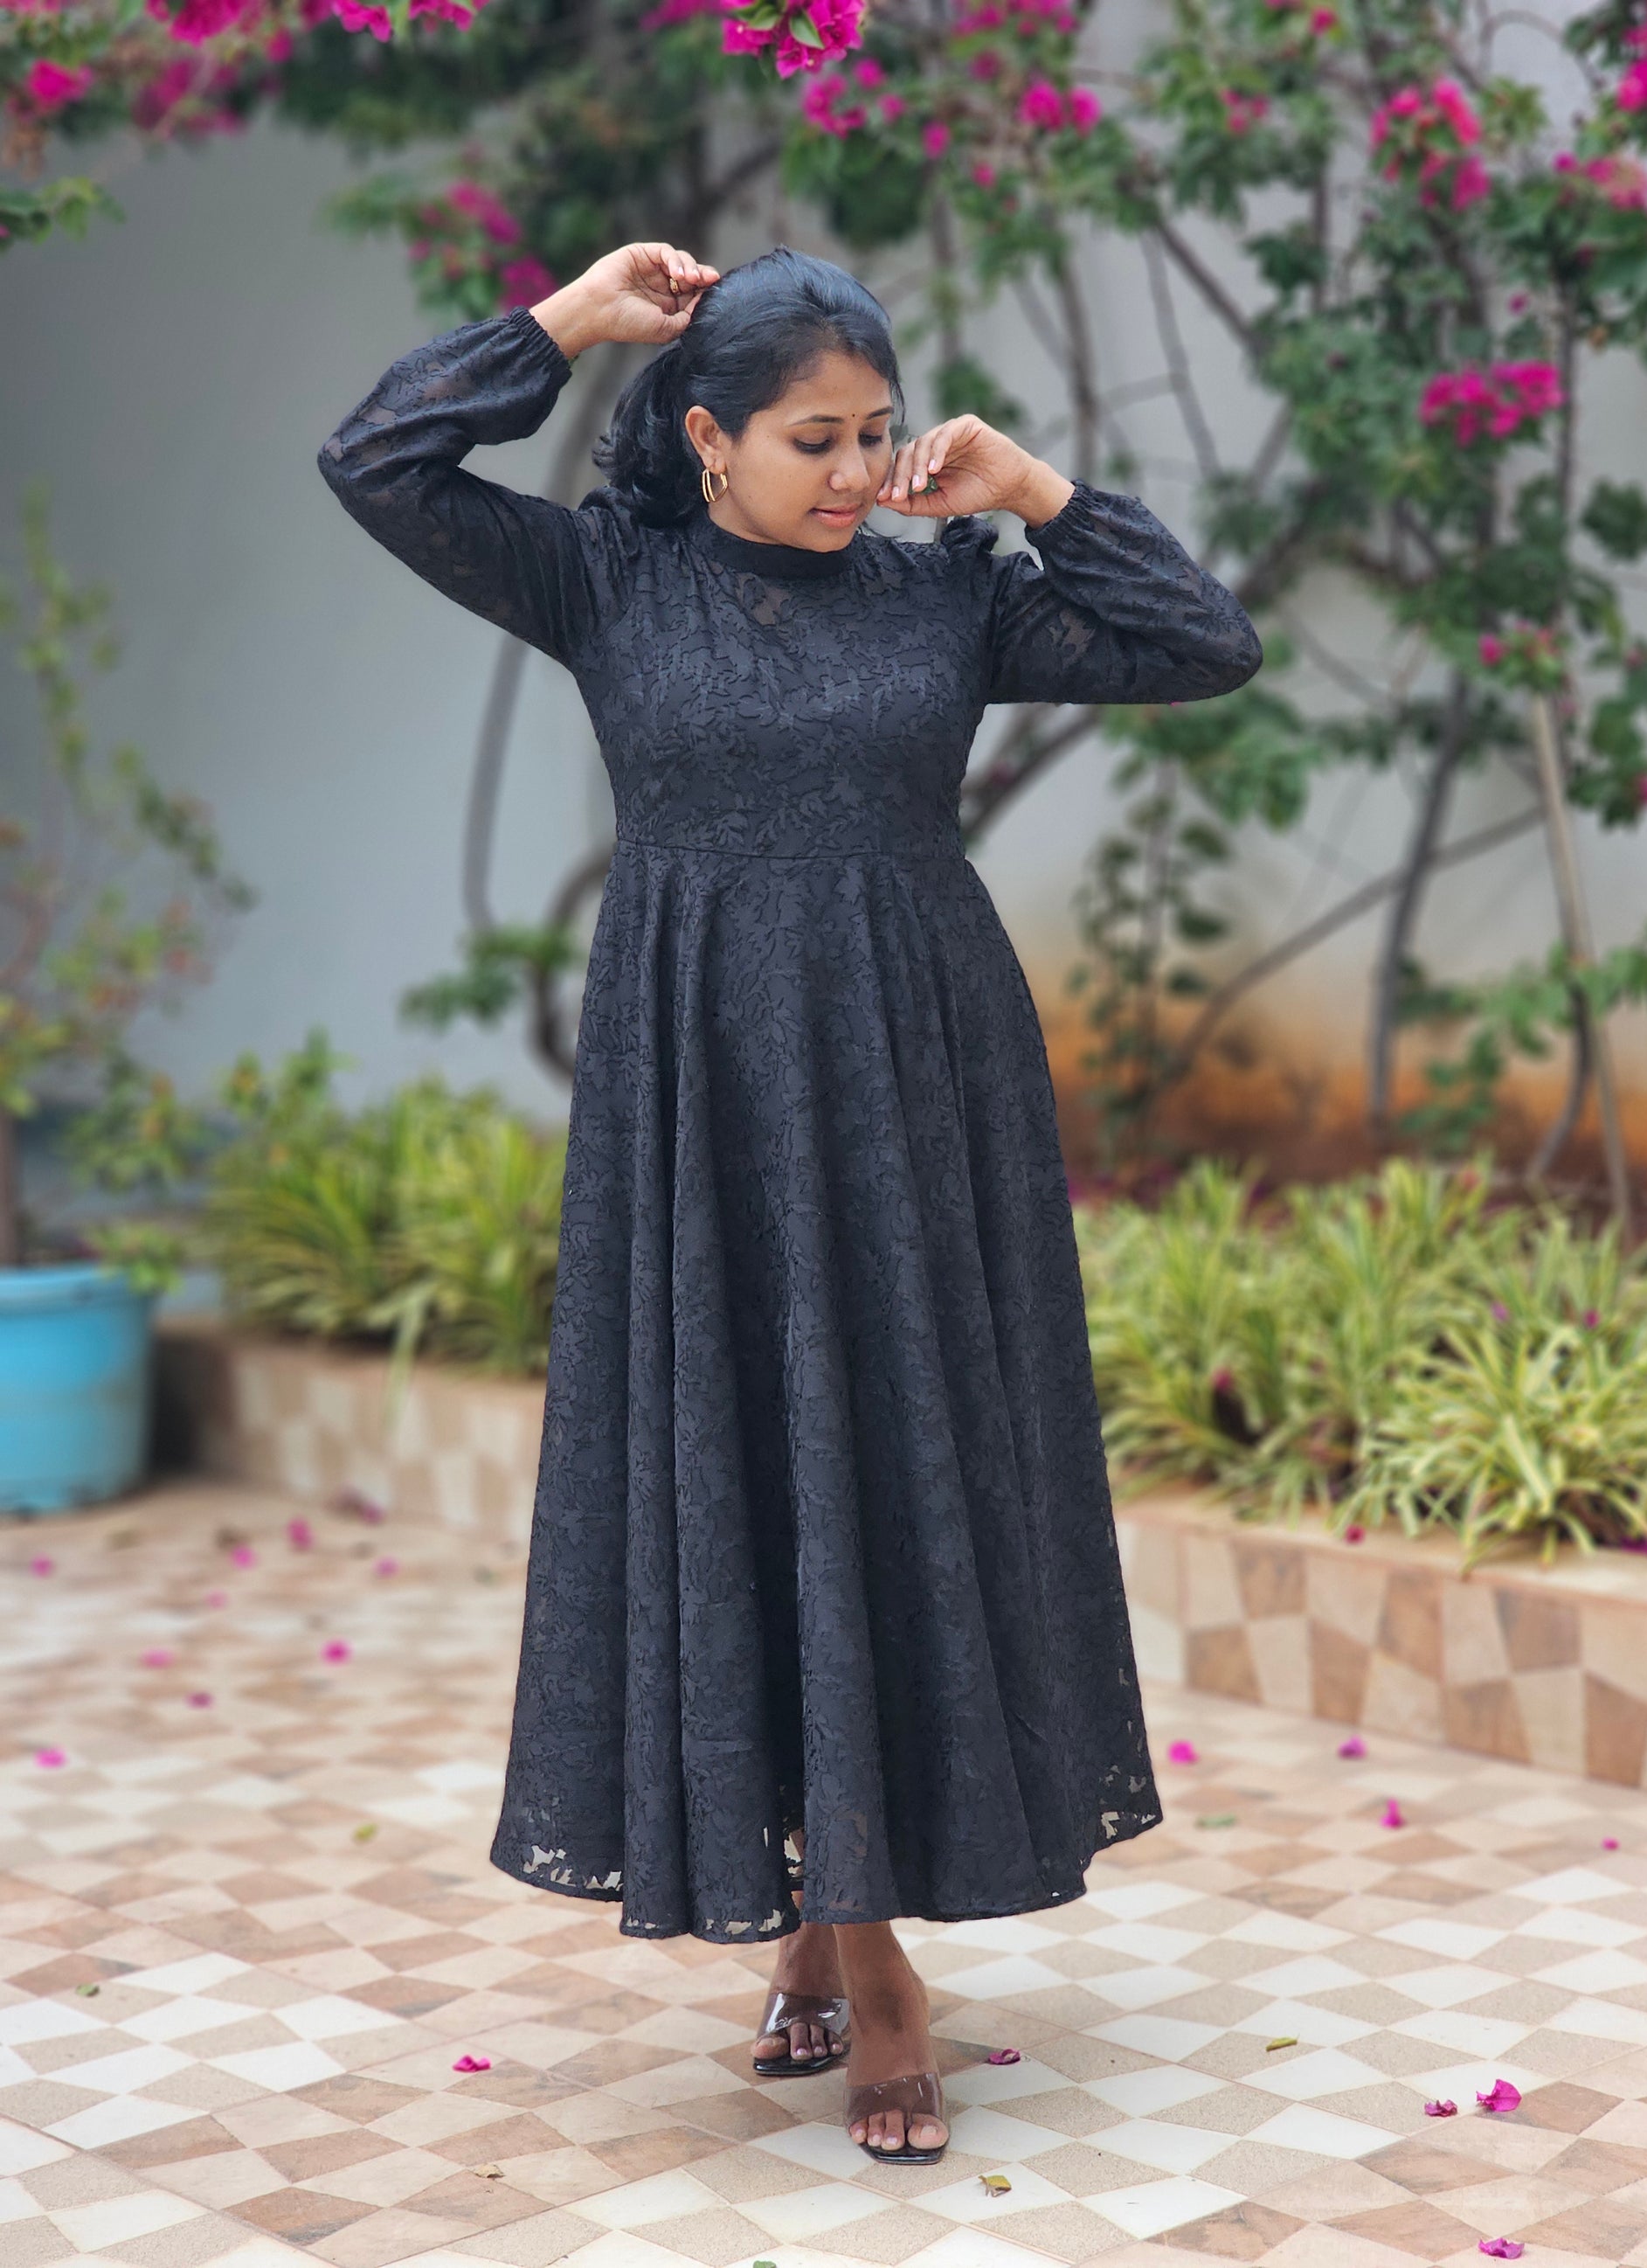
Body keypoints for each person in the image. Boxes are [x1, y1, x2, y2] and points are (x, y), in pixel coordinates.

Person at [318, 239, 1263, 2164]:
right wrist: (565, 321)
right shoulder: (607, 580)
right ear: (706, 436)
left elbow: (1204, 643)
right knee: (751, 1467)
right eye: (809, 439)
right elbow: (375, 462)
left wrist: (1031, 492)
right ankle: (852, 1943)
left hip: (917, 1086)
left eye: (872, 432)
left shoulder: (942, 593)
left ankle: (855, 1945)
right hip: (701, 1095)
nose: (851, 470)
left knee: (894, 1468)